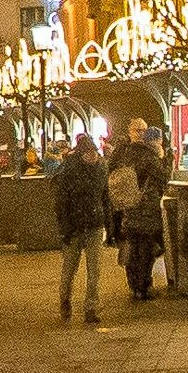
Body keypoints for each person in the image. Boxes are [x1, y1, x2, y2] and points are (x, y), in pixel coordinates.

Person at [52, 134, 109, 326]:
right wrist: (65, 228)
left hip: (94, 224)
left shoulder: (101, 168)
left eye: (94, 153)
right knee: (69, 269)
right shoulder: (69, 169)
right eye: (89, 154)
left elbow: (105, 197)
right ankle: (65, 301)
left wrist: (108, 224)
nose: (92, 157)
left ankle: (91, 308)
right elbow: (61, 202)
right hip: (74, 227)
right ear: (81, 154)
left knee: (95, 270)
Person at [111, 128, 171, 302]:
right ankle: (142, 287)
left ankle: (133, 284)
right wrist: (167, 160)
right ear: (155, 141)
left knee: (133, 247)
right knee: (146, 249)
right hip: (146, 209)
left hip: (129, 209)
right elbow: (163, 177)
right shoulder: (150, 157)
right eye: (159, 141)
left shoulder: (128, 155)